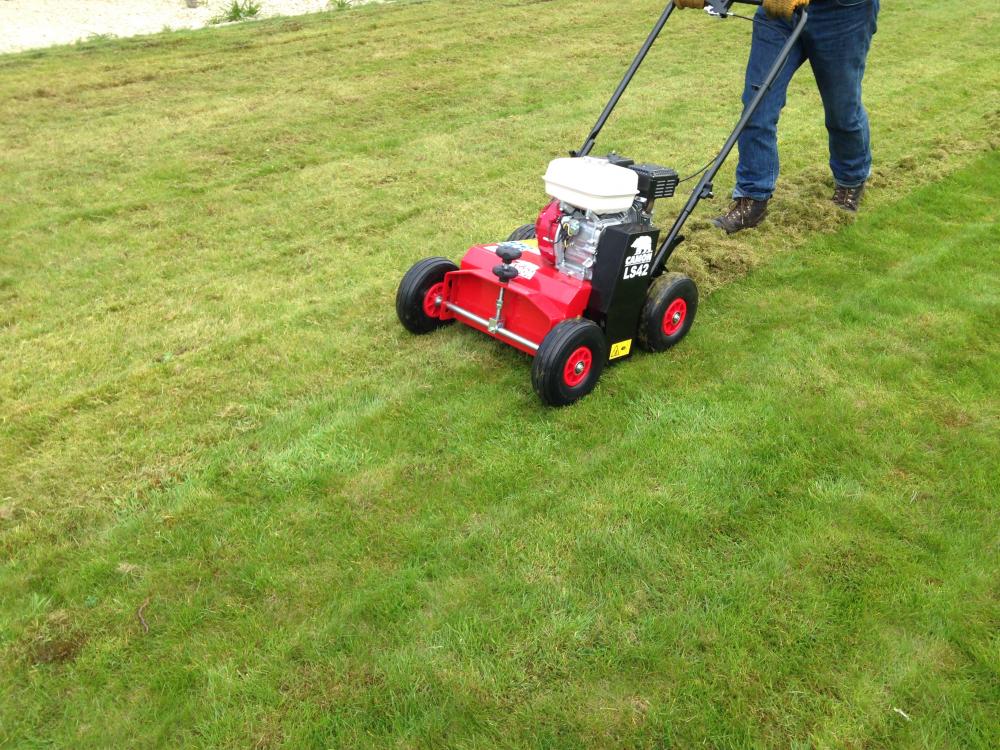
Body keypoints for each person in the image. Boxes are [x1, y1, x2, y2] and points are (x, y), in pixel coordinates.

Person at [674, 0, 880, 233]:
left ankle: (851, 180)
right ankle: (753, 198)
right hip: (778, 13)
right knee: (757, 105)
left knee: (841, 109)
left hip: (843, 14)